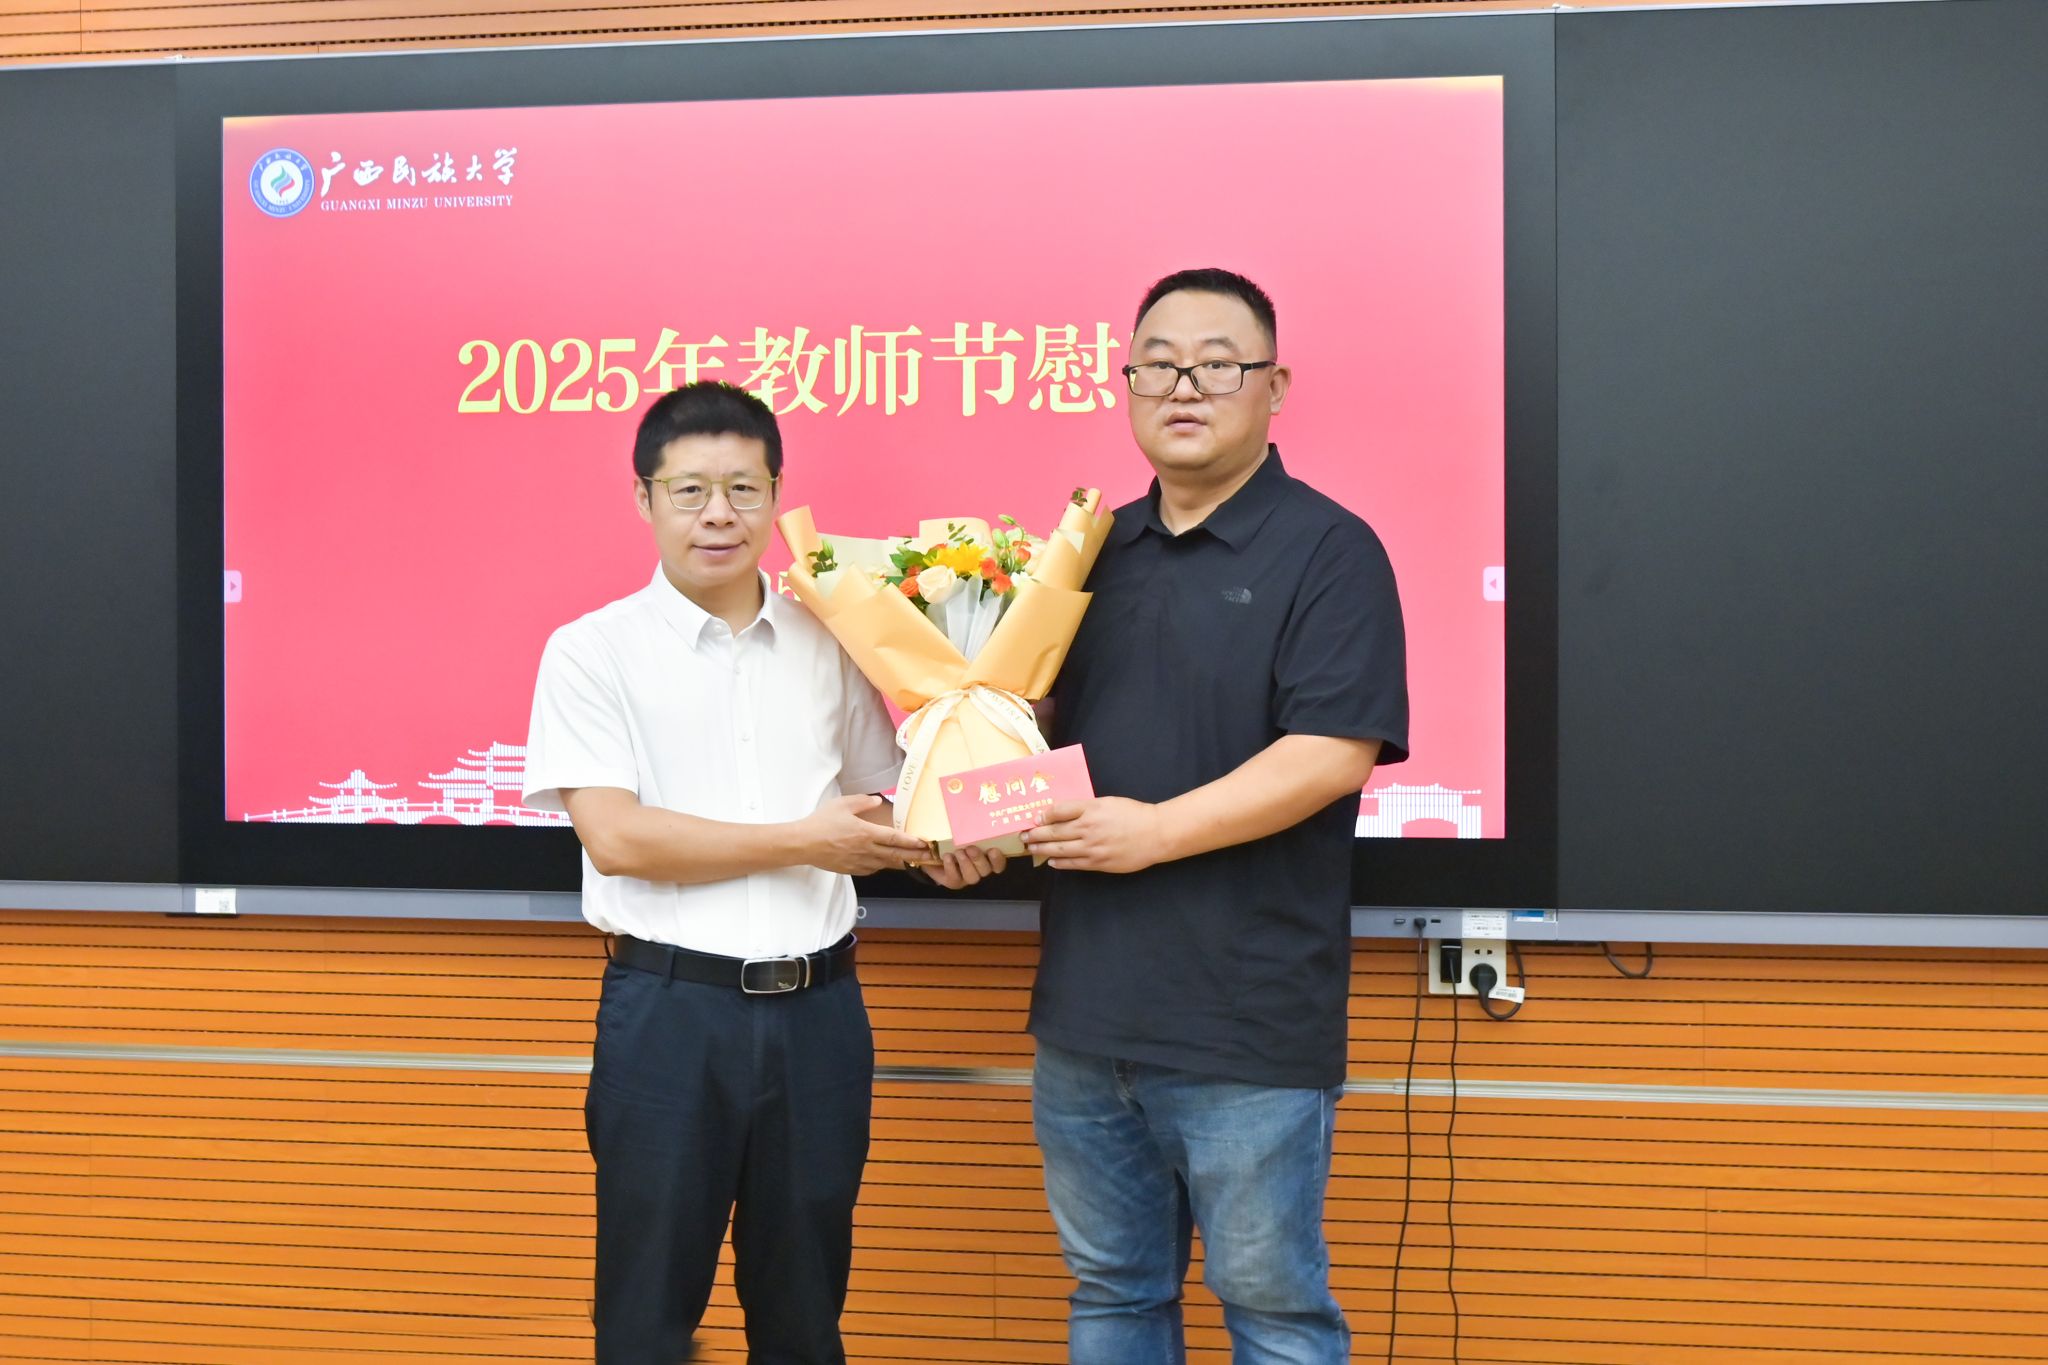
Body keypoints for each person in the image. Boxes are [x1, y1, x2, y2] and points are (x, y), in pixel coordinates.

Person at [522, 381, 1000, 1365]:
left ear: (776, 496)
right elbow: (617, 839)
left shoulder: (830, 638)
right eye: (690, 490)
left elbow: (879, 802)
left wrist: (954, 842)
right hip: (668, 1018)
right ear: (644, 499)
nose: (719, 515)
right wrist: (805, 842)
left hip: (821, 1019)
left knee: (805, 1318)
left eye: (743, 489)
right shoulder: (591, 652)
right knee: (645, 1323)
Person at [1021, 269, 1410, 1364]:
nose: (1182, 386)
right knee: (1111, 1295)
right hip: (1086, 1016)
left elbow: (1331, 753)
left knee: (1273, 1312)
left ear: (1273, 387)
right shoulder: (1087, 553)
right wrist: (969, 814)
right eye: (1156, 364)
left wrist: (1152, 833)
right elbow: (1030, 729)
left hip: (1246, 1022)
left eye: (1215, 364)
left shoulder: (1329, 548)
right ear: (1126, 383)